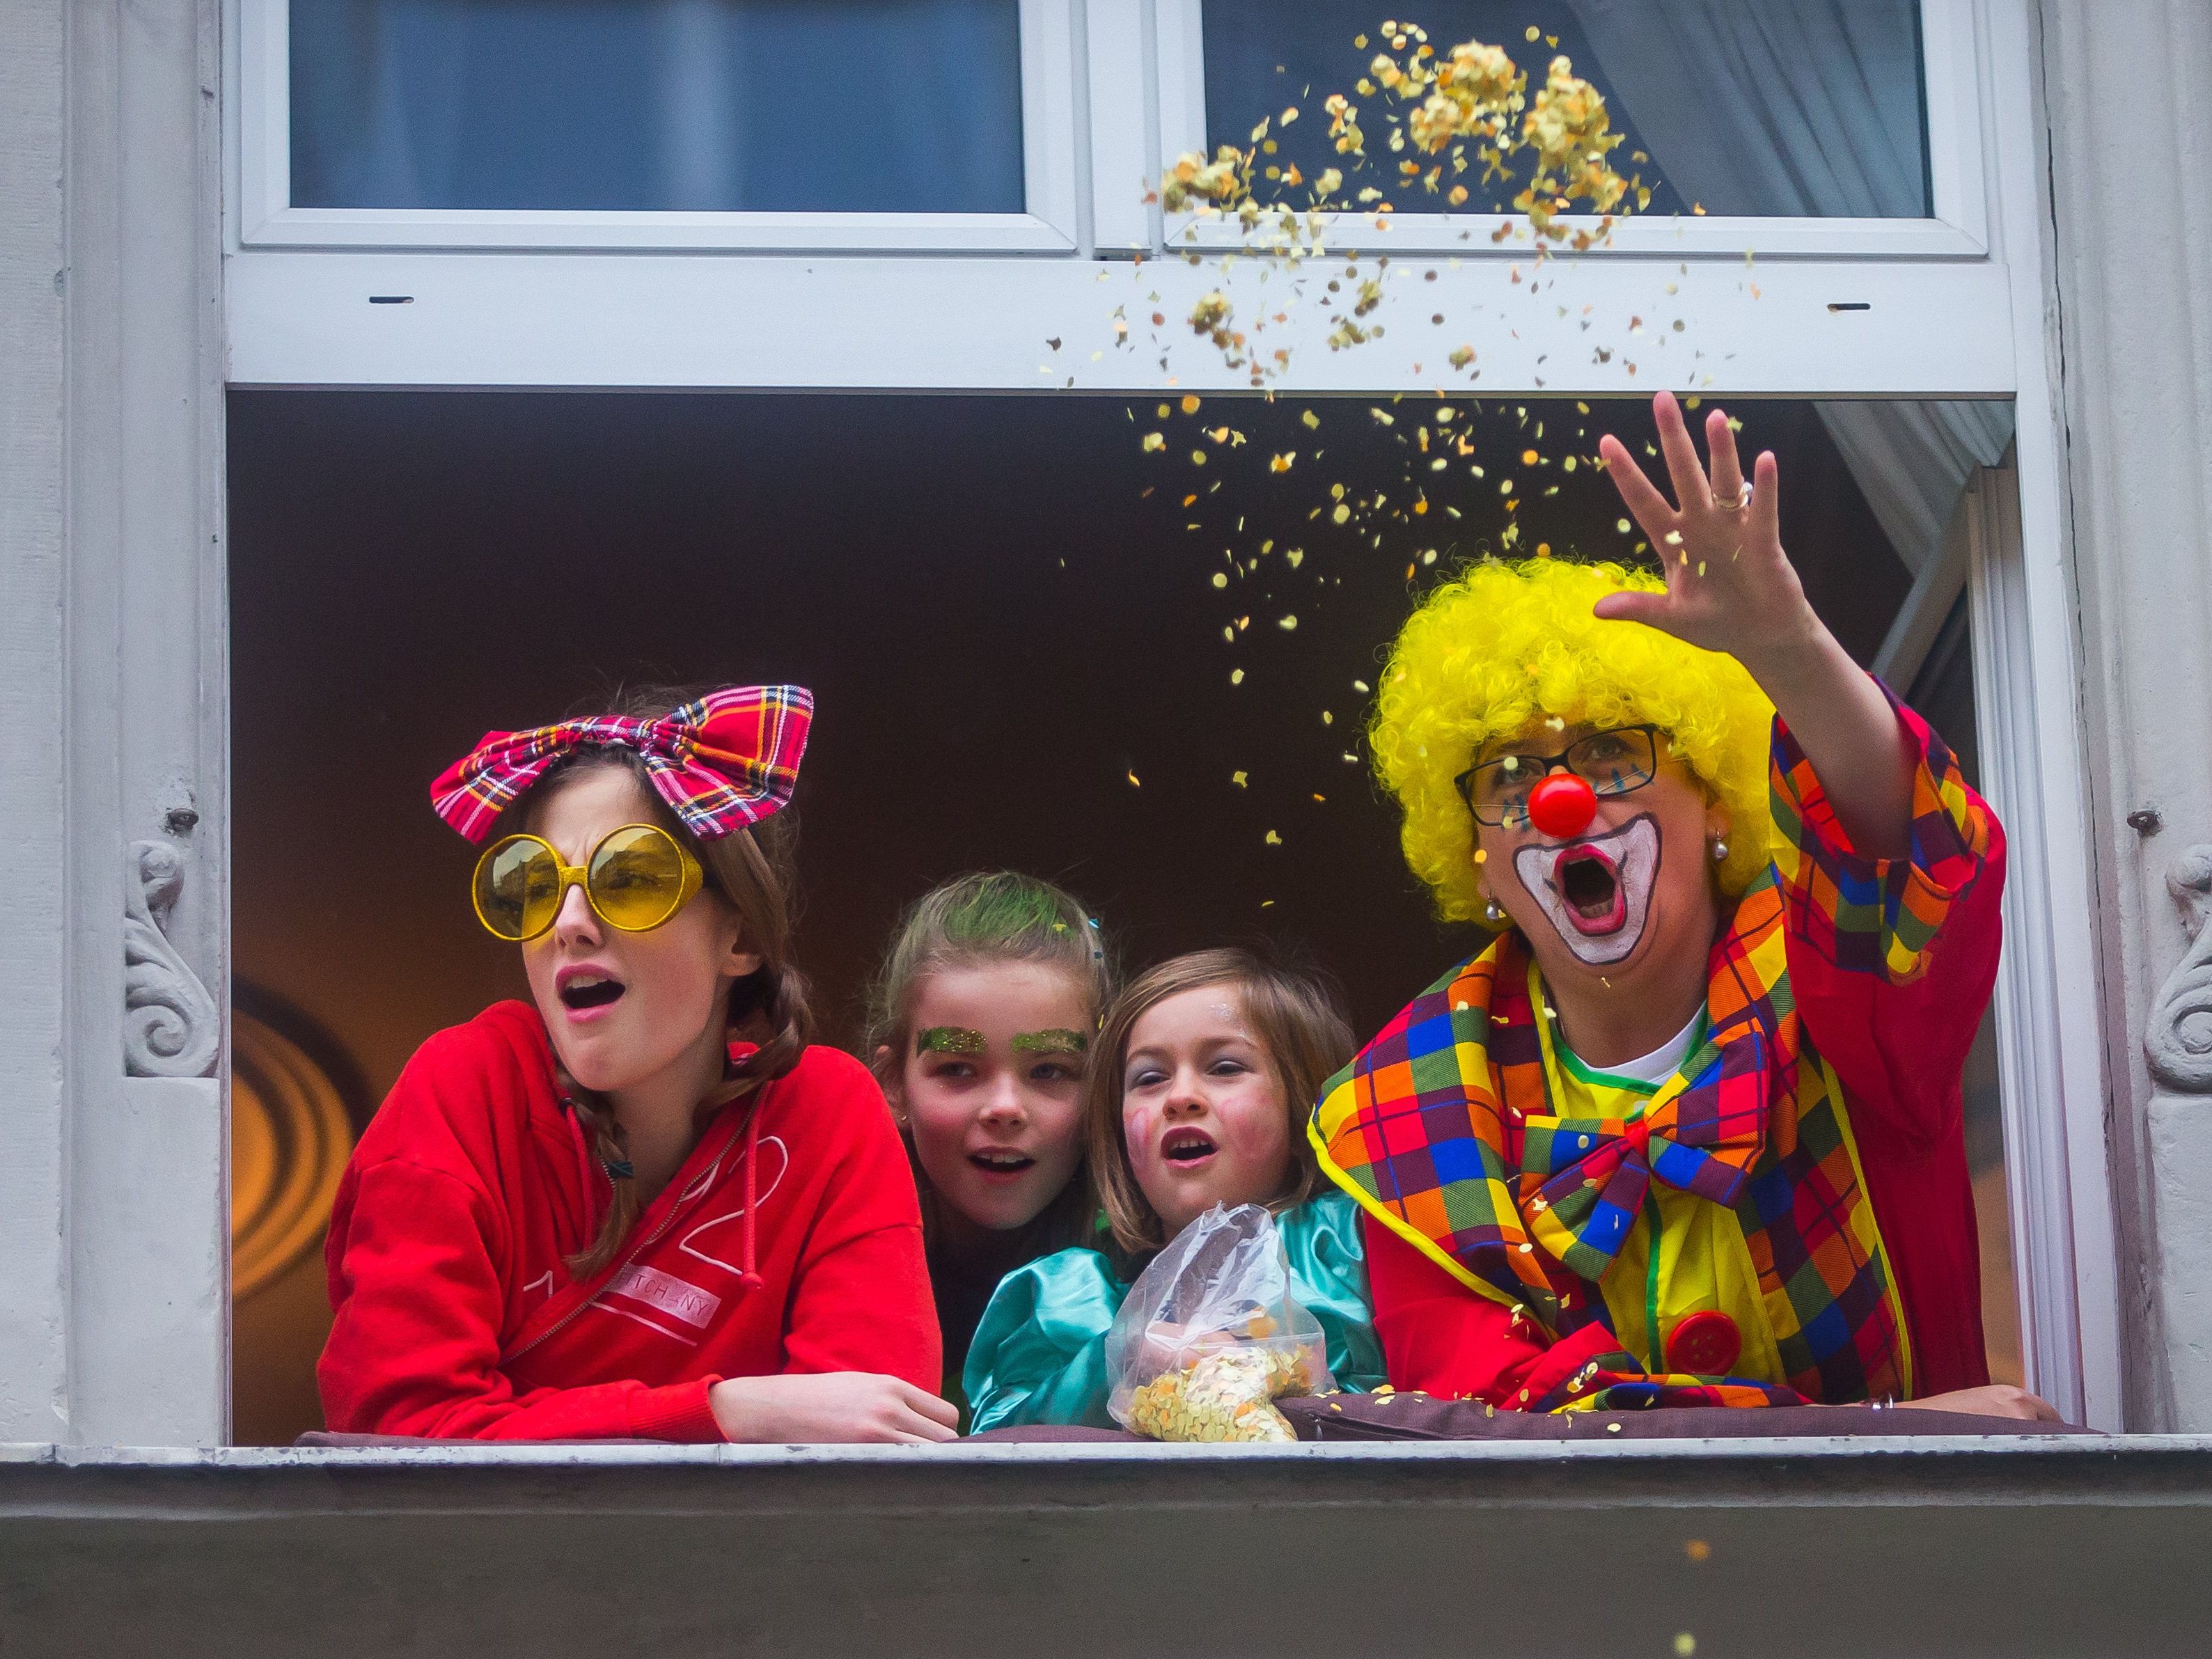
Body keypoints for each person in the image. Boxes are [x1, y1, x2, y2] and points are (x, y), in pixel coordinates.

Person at [1312, 392, 2057, 1420]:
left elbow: (1917, 858)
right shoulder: (1405, 1108)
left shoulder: (1842, 1004)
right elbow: (1498, 1413)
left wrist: (1788, 646)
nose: (1560, 801)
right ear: (1479, 863)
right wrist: (1870, 1433)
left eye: (1613, 754)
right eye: (1507, 775)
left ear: (1711, 796)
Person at [318, 685, 956, 1442]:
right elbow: (393, 1437)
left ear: (742, 937)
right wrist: (724, 1414)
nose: (570, 924)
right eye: (535, 885)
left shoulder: (829, 1113)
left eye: (631, 878)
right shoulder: (464, 1089)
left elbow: (873, 1449)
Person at [965, 949, 1386, 1432]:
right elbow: (992, 1441)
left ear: (1303, 1106)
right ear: (1115, 1132)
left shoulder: (1352, 1244)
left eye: (1225, 1068)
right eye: (1149, 1077)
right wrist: (1120, 1363)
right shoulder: (1067, 1296)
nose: (1180, 1096)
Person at [865, 872, 1113, 1422]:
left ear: (1104, 1085)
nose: (1004, 1106)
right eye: (957, 1067)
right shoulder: (822, 1260)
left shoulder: (1151, 1270)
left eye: (1049, 1069)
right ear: (893, 1083)